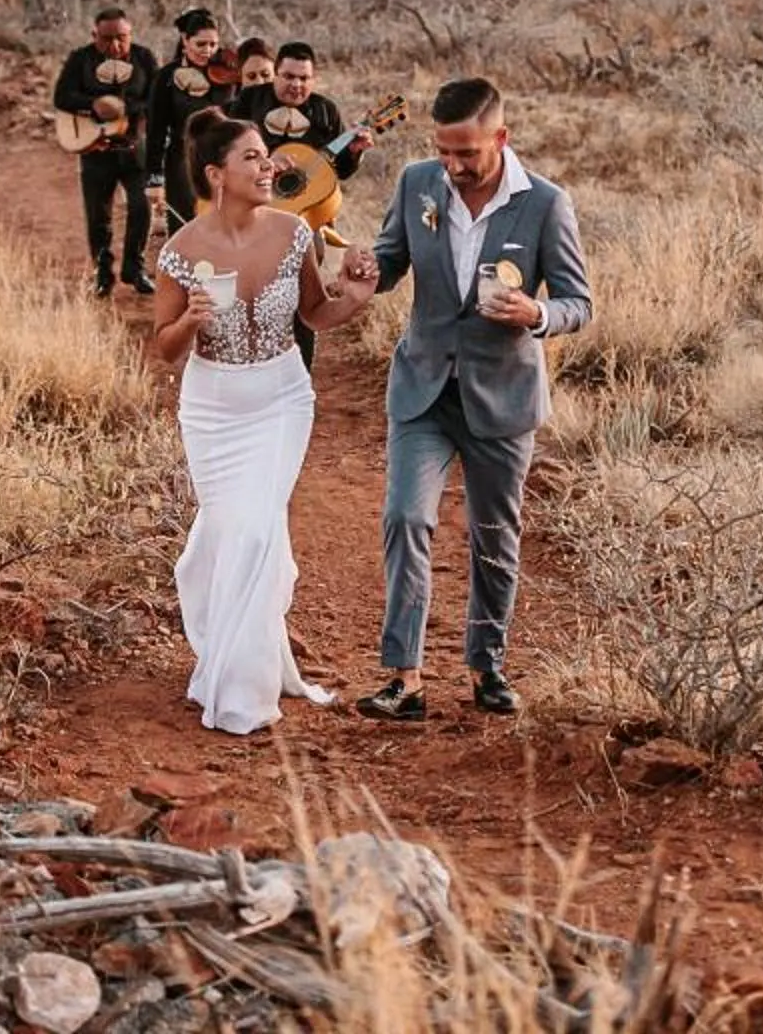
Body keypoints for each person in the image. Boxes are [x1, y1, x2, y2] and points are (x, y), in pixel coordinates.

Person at [344, 78, 592, 722]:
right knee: (405, 518)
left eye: (467, 153)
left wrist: (538, 313)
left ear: (500, 139)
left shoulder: (545, 203)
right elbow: (392, 260)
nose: (452, 166)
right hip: (424, 386)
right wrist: (371, 269)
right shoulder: (416, 183)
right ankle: (404, 678)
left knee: (493, 537)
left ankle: (487, 667)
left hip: (501, 396)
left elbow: (578, 302)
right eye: (444, 151)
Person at [151, 111, 377, 735]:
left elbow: (315, 313)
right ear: (215, 174)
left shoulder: (294, 232)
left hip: (281, 399)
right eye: (252, 157)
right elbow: (164, 348)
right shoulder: (180, 252)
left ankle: (239, 686)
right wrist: (191, 320)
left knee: (254, 531)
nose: (269, 165)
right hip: (213, 408)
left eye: (266, 154)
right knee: (229, 531)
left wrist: (354, 298)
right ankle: (228, 640)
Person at [229, 42, 361, 364]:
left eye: (304, 78)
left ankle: (302, 369)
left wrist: (355, 152)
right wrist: (263, 161)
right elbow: (224, 150)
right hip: (252, 216)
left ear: (314, 79)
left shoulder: (325, 111)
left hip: (304, 222)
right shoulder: (249, 102)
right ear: (275, 74)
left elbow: (339, 171)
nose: (296, 84)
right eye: (288, 76)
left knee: (305, 295)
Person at [51, 7, 157, 297]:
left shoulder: (144, 58)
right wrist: (93, 105)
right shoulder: (80, 59)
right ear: (94, 35)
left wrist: (125, 109)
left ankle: (135, 269)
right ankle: (102, 273)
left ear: (130, 34)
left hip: (134, 149)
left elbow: (155, 99)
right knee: (98, 216)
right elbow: (62, 97)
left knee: (142, 207)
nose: (115, 45)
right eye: (107, 38)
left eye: (121, 38)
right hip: (96, 149)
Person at [147, 8, 232, 229]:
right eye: (201, 44)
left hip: (224, 156)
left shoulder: (229, 71)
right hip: (182, 156)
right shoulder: (167, 76)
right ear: (185, 40)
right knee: (184, 223)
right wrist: (155, 177)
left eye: (213, 44)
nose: (208, 51)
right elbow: (156, 128)